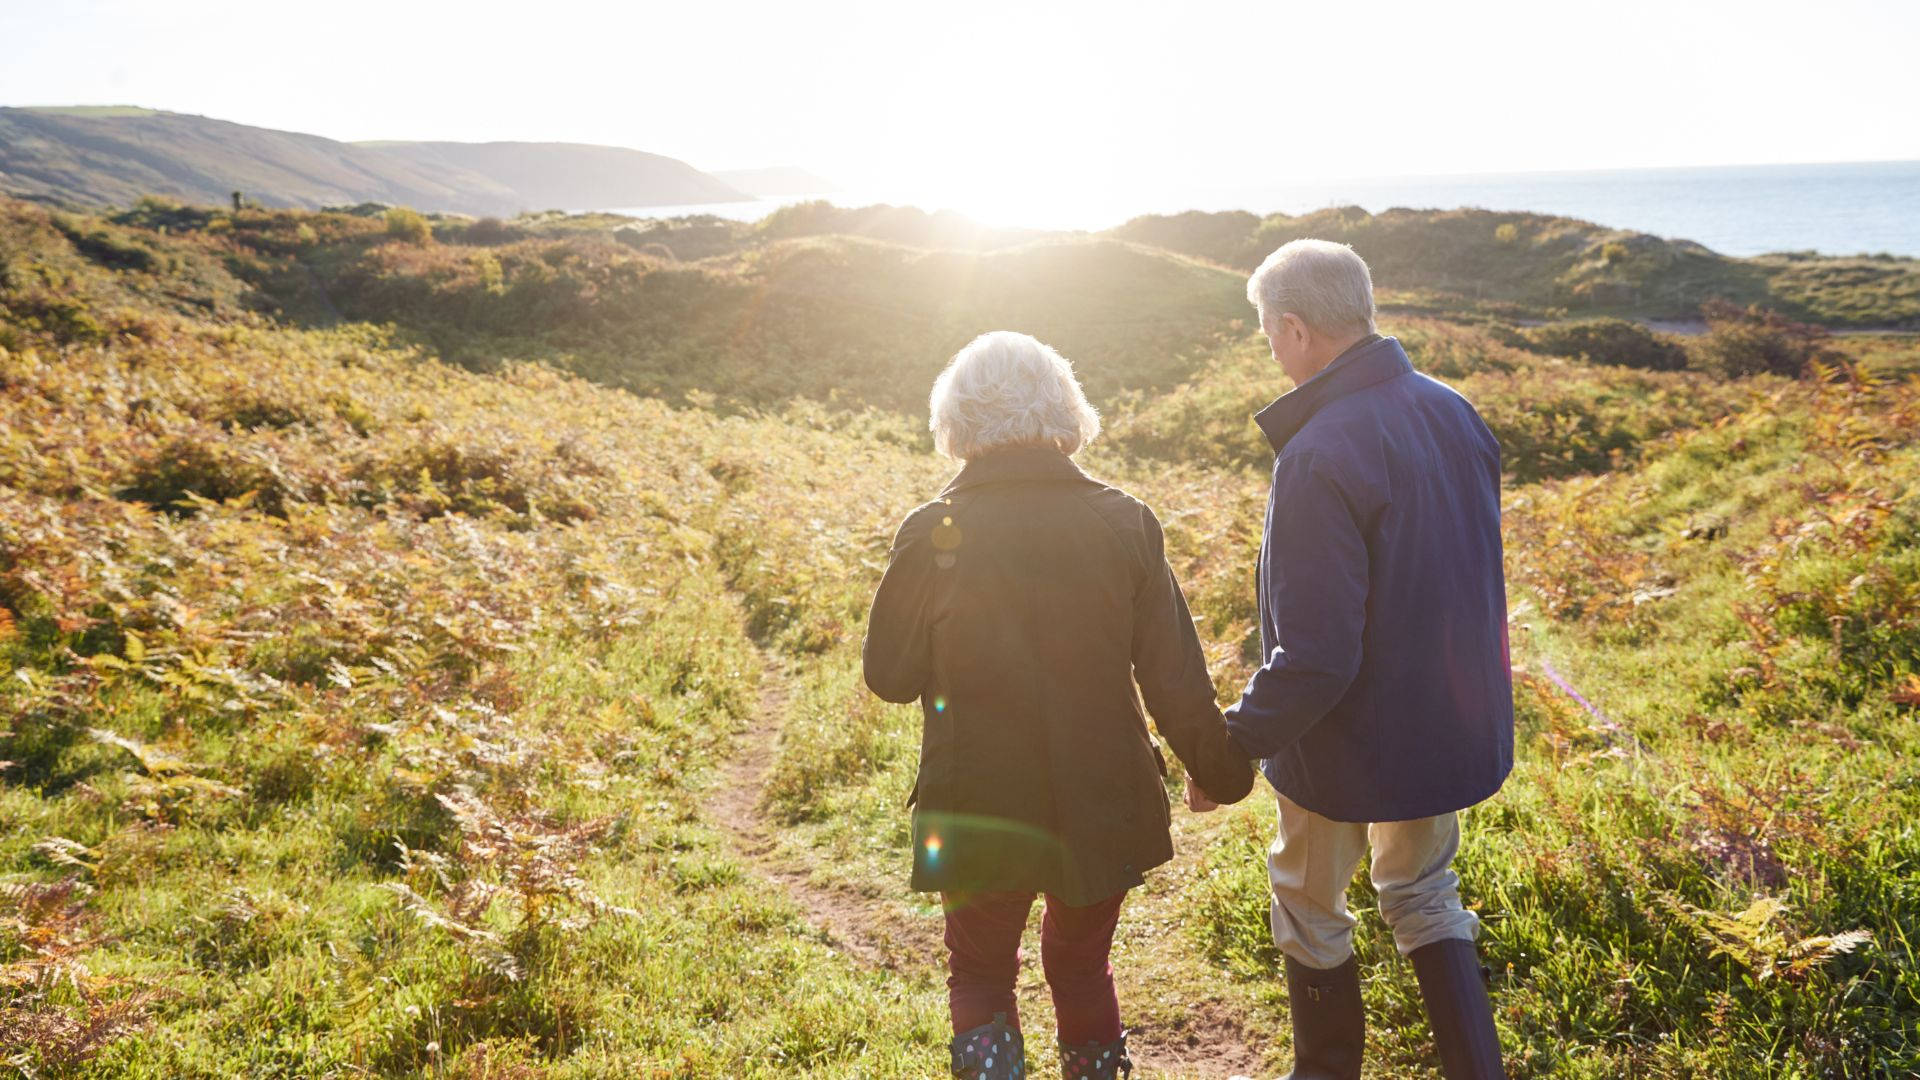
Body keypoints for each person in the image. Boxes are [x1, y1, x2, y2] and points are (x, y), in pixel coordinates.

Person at [863, 330, 1256, 1080]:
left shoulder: (933, 529)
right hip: (1102, 796)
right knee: (1080, 968)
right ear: (1062, 409)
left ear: (958, 419)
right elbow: (1175, 679)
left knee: (979, 973)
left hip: (974, 797)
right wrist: (1222, 771)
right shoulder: (1123, 521)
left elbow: (889, 675)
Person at [1199, 239, 1514, 1080]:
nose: (1270, 347)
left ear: (1296, 328)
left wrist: (1234, 742)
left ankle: (1325, 1072)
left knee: (1309, 904)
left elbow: (1317, 655)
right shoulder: (1455, 410)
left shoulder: (1317, 452)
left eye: (1269, 331)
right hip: (1446, 720)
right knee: (1423, 893)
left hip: (1343, 741)